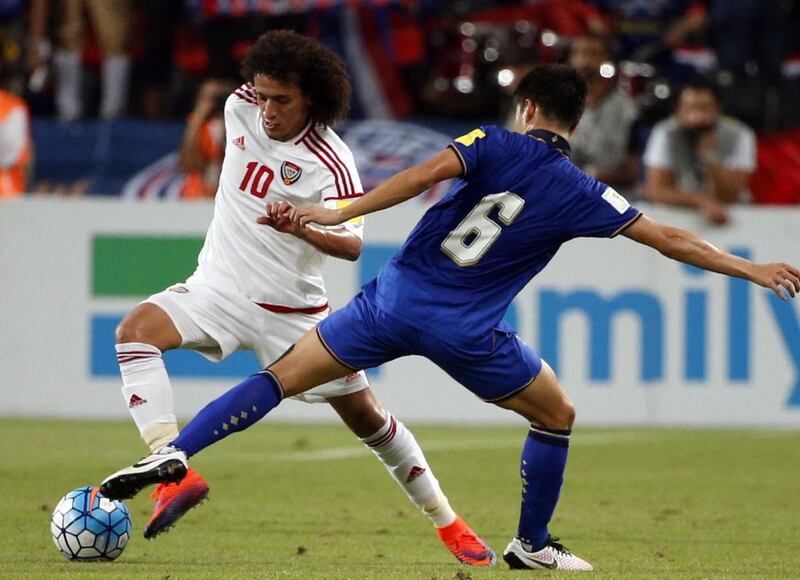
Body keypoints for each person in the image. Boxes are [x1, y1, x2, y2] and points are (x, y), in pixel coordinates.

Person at [100, 64, 800, 570]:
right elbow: (670, 238)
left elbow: (419, 176)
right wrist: (752, 269)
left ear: (525, 107)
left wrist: (338, 209)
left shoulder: (491, 143)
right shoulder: (586, 192)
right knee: (556, 415)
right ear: (574, 122)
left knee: (280, 379)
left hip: (392, 300)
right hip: (468, 332)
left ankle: (178, 450)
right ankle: (531, 544)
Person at [106, 30, 494, 566]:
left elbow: (353, 244)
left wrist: (304, 227)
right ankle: (172, 473)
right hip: (216, 287)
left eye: (281, 100)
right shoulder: (239, 107)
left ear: (311, 96)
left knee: (370, 421)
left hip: (292, 314)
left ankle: (448, 523)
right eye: (262, 94)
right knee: (133, 335)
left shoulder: (331, 159)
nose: (266, 109)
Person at [643, 77, 756, 226]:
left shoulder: (739, 134)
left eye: (705, 108)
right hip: (676, 215)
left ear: (719, 109)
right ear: (677, 111)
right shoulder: (665, 132)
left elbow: (731, 195)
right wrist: (701, 201)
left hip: (732, 216)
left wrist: (708, 156)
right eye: (690, 108)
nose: (697, 116)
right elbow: (657, 191)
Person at [567, 33, 639, 194]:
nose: (584, 61)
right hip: (561, 194)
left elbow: (631, 172)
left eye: (593, 54)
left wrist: (587, 174)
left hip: (612, 195)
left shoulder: (627, 109)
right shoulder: (553, 103)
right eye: (579, 53)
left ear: (607, 61)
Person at [177, 78, 237, 200]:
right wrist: (197, 121)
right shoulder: (200, 126)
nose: (215, 104)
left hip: (229, 195)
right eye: (210, 98)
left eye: (220, 98)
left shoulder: (239, 126)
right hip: (198, 194)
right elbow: (187, 165)